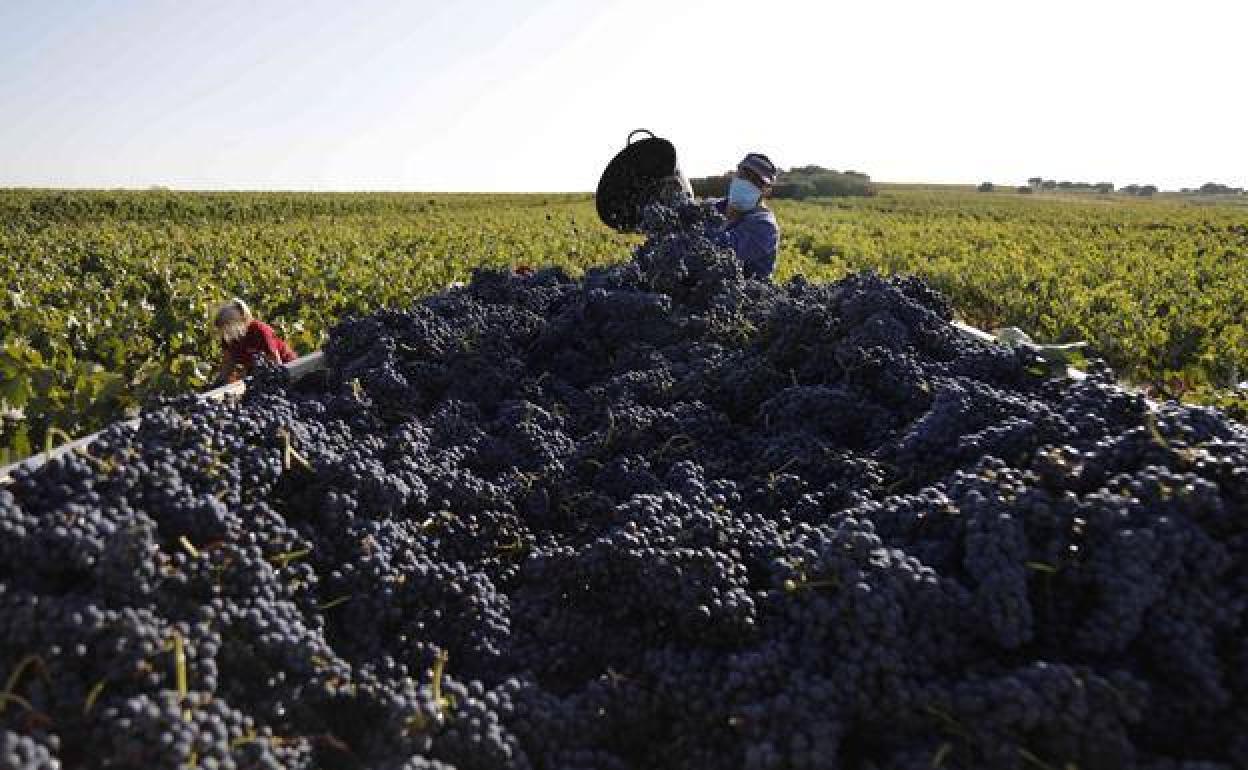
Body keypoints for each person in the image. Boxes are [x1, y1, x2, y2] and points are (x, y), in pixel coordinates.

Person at [710, 152, 781, 280]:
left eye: (756, 181)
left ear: (766, 191)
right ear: (735, 174)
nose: (747, 183)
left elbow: (723, 249)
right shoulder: (712, 206)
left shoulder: (765, 227)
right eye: (744, 175)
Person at [211, 298, 297, 384]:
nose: (224, 333)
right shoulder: (229, 336)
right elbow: (227, 364)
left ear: (236, 323)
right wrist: (218, 384)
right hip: (258, 374)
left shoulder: (259, 331)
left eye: (225, 328)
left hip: (289, 369)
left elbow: (276, 362)